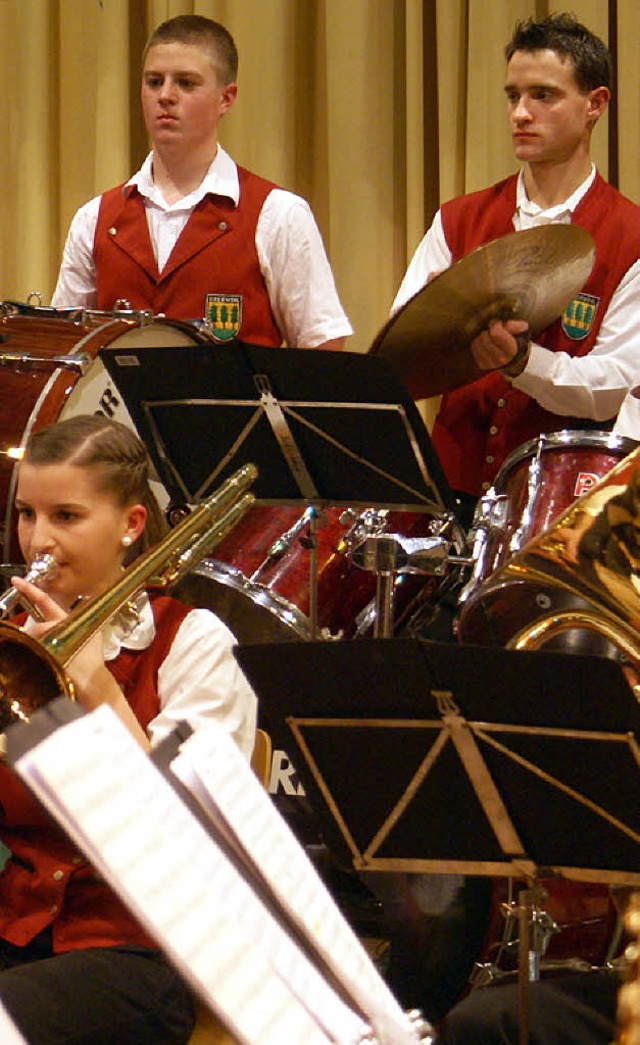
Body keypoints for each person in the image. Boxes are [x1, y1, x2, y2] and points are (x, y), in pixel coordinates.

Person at [0, 413, 257, 1044]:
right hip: (19, 930)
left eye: (66, 516)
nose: (38, 541)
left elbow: (183, 834)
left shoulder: (193, 643)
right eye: (27, 514)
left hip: (144, 952)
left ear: (131, 525)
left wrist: (100, 688)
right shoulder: (13, 644)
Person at [391, 13, 640, 525]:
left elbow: (614, 383)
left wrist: (525, 364)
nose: (521, 114)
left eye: (543, 96)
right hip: (448, 492)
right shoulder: (458, 218)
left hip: (559, 507)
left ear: (596, 104)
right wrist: (435, 321)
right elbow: (397, 357)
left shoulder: (631, 235)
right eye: (512, 96)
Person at [52, 14, 352, 352]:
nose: (165, 95)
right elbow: (65, 351)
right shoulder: (94, 219)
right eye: (153, 81)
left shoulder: (278, 214)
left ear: (226, 98)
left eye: (186, 83)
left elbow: (321, 346)